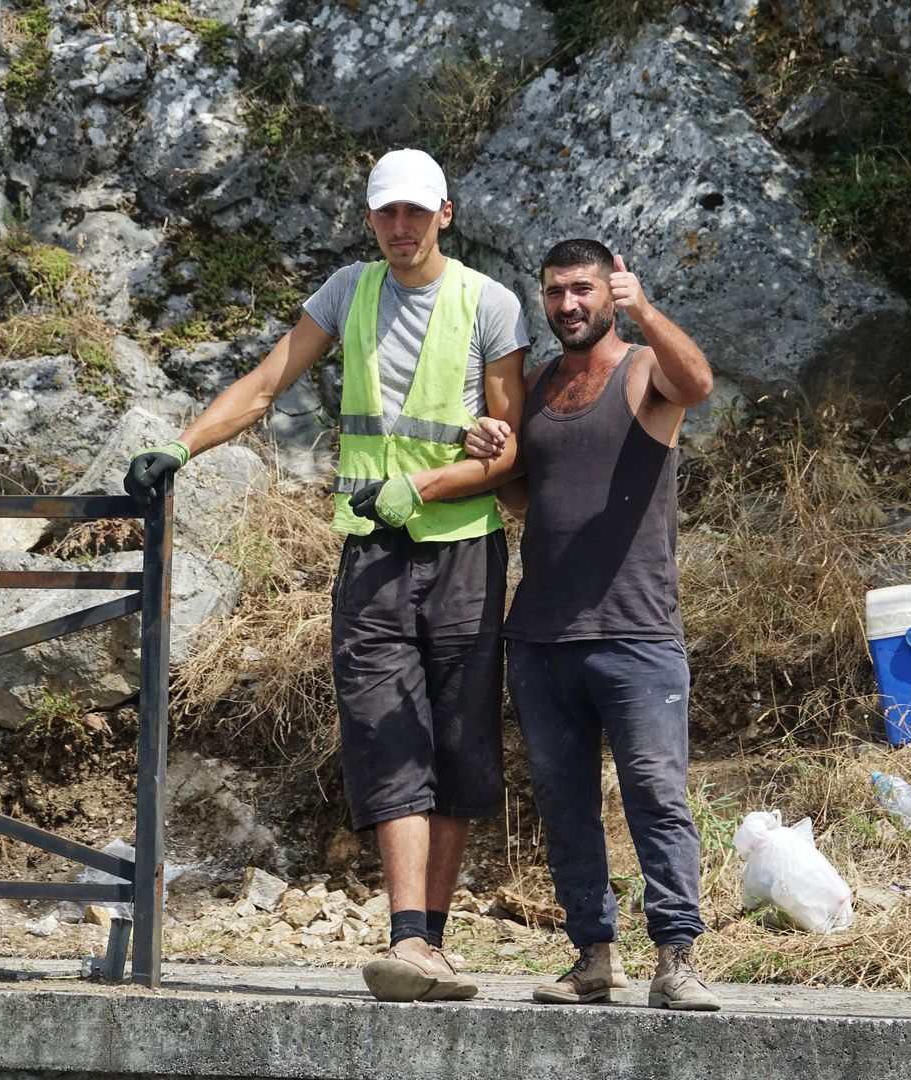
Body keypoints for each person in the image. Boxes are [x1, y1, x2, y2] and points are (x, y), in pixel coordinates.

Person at [124, 148, 529, 1003]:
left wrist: (454, 463)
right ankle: (408, 940)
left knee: (457, 741)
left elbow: (507, 442)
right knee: (387, 735)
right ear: (371, 217)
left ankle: (432, 942)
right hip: (372, 554)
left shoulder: (489, 303)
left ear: (445, 214)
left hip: (463, 549)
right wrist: (180, 445)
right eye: (387, 212)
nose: (401, 227)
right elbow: (268, 384)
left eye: (416, 212)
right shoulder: (348, 291)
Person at [465, 238, 720, 1011]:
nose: (568, 305)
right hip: (539, 637)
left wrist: (646, 309)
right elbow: (522, 494)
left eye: (581, 289)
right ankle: (592, 957)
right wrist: (482, 445)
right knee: (563, 800)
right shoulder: (538, 385)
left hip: (638, 634)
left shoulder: (644, 370)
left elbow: (699, 384)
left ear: (610, 291)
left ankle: (676, 960)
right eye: (554, 293)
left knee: (654, 793)